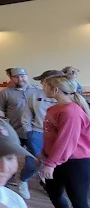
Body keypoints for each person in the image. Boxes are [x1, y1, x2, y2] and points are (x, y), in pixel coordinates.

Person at [39, 75, 90, 208]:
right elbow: (52, 136)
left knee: (79, 202)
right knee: (53, 191)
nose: (42, 88)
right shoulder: (54, 108)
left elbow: (66, 142)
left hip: (76, 162)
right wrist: (44, 153)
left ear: (55, 90)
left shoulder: (71, 112)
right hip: (58, 159)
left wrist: (50, 163)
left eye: (45, 86)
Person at [18, 70, 63, 199]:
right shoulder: (35, 95)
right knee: (33, 163)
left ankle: (50, 184)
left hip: (59, 134)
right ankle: (23, 180)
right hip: (37, 132)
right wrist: (29, 132)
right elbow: (26, 116)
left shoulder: (64, 95)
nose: (41, 83)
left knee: (56, 162)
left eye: (43, 81)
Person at [0, 68, 38, 148]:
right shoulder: (5, 92)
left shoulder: (37, 90)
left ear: (27, 76)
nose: (20, 79)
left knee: (35, 153)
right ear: (11, 78)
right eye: (16, 77)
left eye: (22, 76)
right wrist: (4, 127)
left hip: (35, 131)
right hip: (15, 131)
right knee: (13, 152)